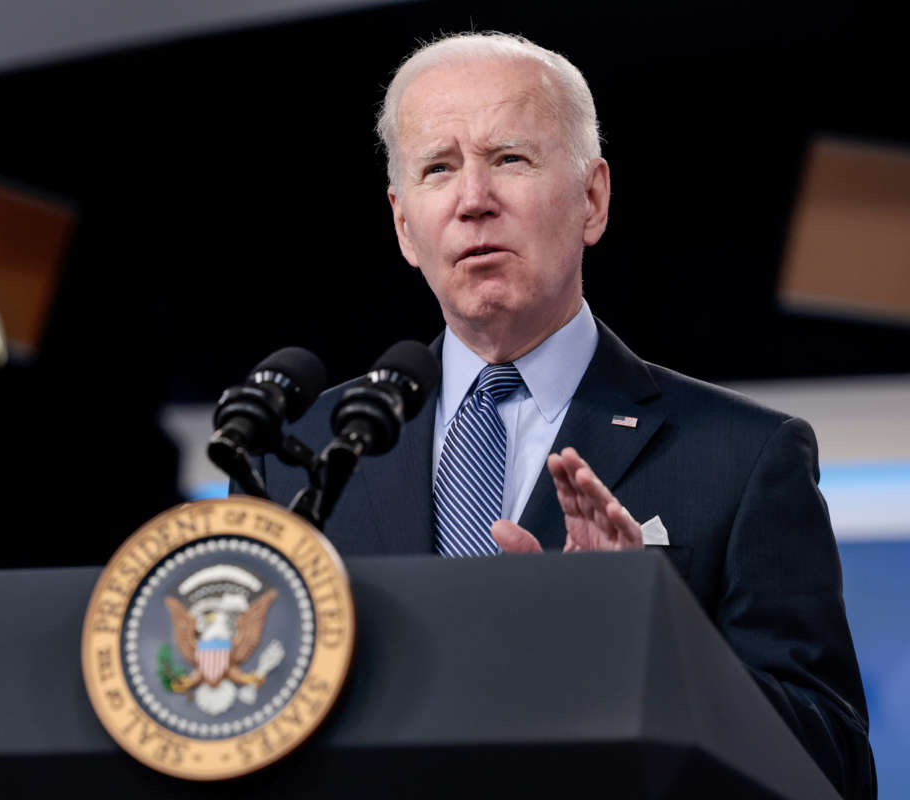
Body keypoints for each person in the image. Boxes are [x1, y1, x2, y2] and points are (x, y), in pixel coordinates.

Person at [257, 32, 875, 798]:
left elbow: (833, 766)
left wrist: (645, 641)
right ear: (404, 225)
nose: (473, 199)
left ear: (592, 198)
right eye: (438, 168)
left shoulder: (744, 457)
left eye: (509, 158)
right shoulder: (303, 453)